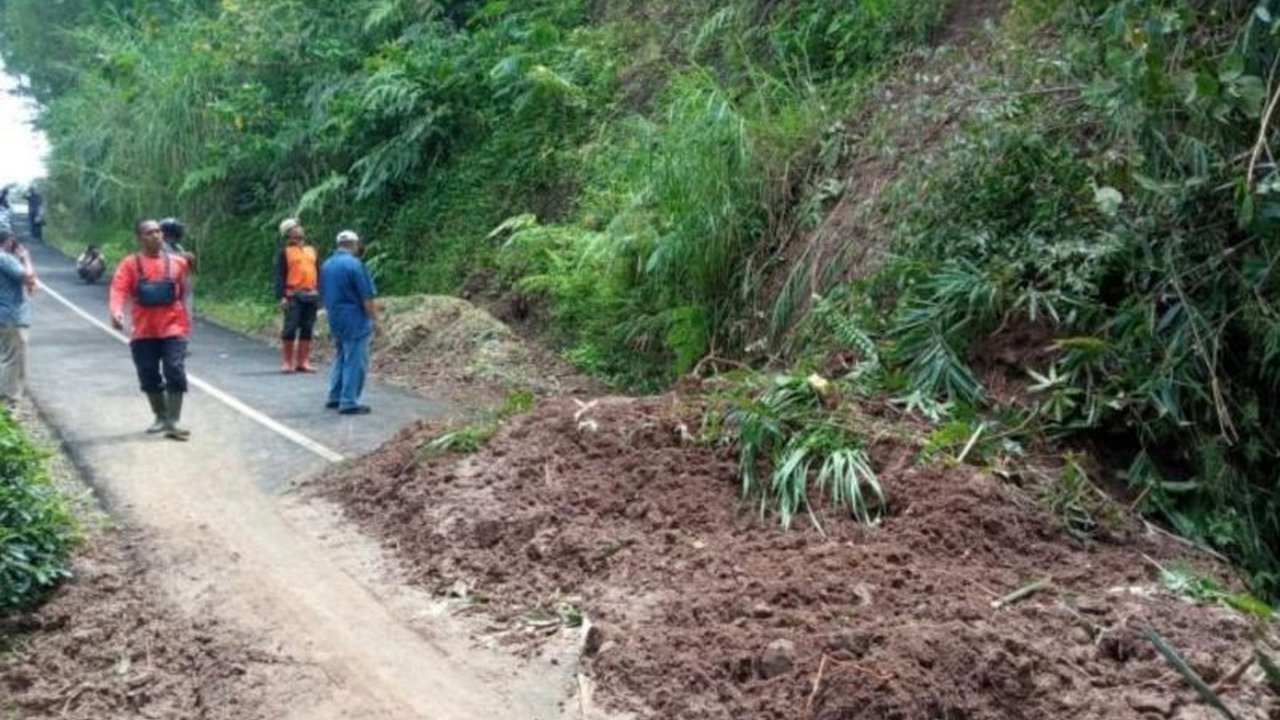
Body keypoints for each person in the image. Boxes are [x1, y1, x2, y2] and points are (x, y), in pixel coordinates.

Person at [109, 219, 193, 440]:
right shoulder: (129, 264)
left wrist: (186, 323)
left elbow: (183, 293)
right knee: (148, 373)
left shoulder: (178, 263)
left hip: (173, 327)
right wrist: (116, 311)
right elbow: (118, 289)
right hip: (143, 329)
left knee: (175, 369)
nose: (156, 236)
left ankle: (174, 420)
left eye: (158, 232)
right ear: (140, 238)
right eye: (149, 232)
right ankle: (160, 416)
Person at [319, 229, 377, 415]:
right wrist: (374, 318)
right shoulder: (355, 265)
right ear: (354, 244)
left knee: (341, 355)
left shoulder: (327, 265)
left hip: (335, 316)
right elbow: (366, 296)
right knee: (356, 359)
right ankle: (349, 401)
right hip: (354, 317)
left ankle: (335, 395)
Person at [274, 217, 320, 373]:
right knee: (290, 328)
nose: (300, 229)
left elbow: (318, 272)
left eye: (300, 226)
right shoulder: (285, 252)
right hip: (293, 294)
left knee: (307, 327)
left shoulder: (311, 250)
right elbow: (280, 275)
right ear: (289, 232)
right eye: (296, 227)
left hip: (311, 293)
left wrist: (321, 292)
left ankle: (303, 361)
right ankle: (288, 362)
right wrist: (282, 296)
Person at [0, 227, 36, 405]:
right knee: (13, 359)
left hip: (3, 315)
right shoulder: (4, 259)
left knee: (8, 356)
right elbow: (28, 277)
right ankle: (9, 401)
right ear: (7, 241)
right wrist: (26, 258)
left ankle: (9, 398)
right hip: (11, 316)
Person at [159, 218, 195, 330]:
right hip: (166, 283)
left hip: (181, 283)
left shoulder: (178, 247)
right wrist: (183, 256)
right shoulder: (161, 246)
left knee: (185, 310)